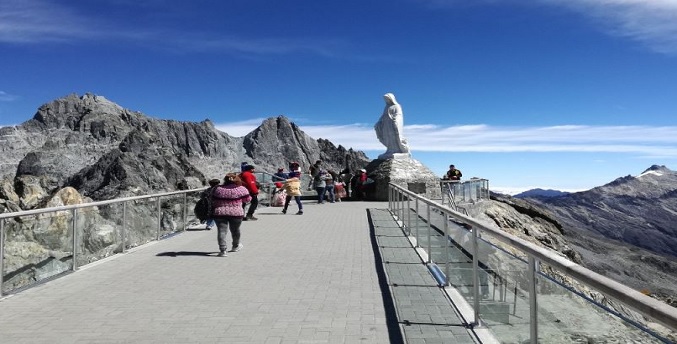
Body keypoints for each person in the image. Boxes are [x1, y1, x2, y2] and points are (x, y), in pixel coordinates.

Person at [211, 173, 251, 257]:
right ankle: (235, 246)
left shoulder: (217, 189)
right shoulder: (241, 189)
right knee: (235, 230)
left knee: (222, 231)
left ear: (225, 179)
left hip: (220, 212)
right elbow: (247, 199)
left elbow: (212, 199)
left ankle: (223, 251)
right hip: (236, 213)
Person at [374, 93, 410, 160]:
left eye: (387, 99)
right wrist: (378, 123)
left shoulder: (397, 106)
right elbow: (383, 116)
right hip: (386, 125)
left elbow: (398, 115)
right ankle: (390, 150)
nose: (386, 100)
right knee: (387, 137)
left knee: (394, 137)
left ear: (391, 99)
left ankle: (396, 150)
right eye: (385, 99)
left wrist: (395, 119)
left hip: (392, 124)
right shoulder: (386, 107)